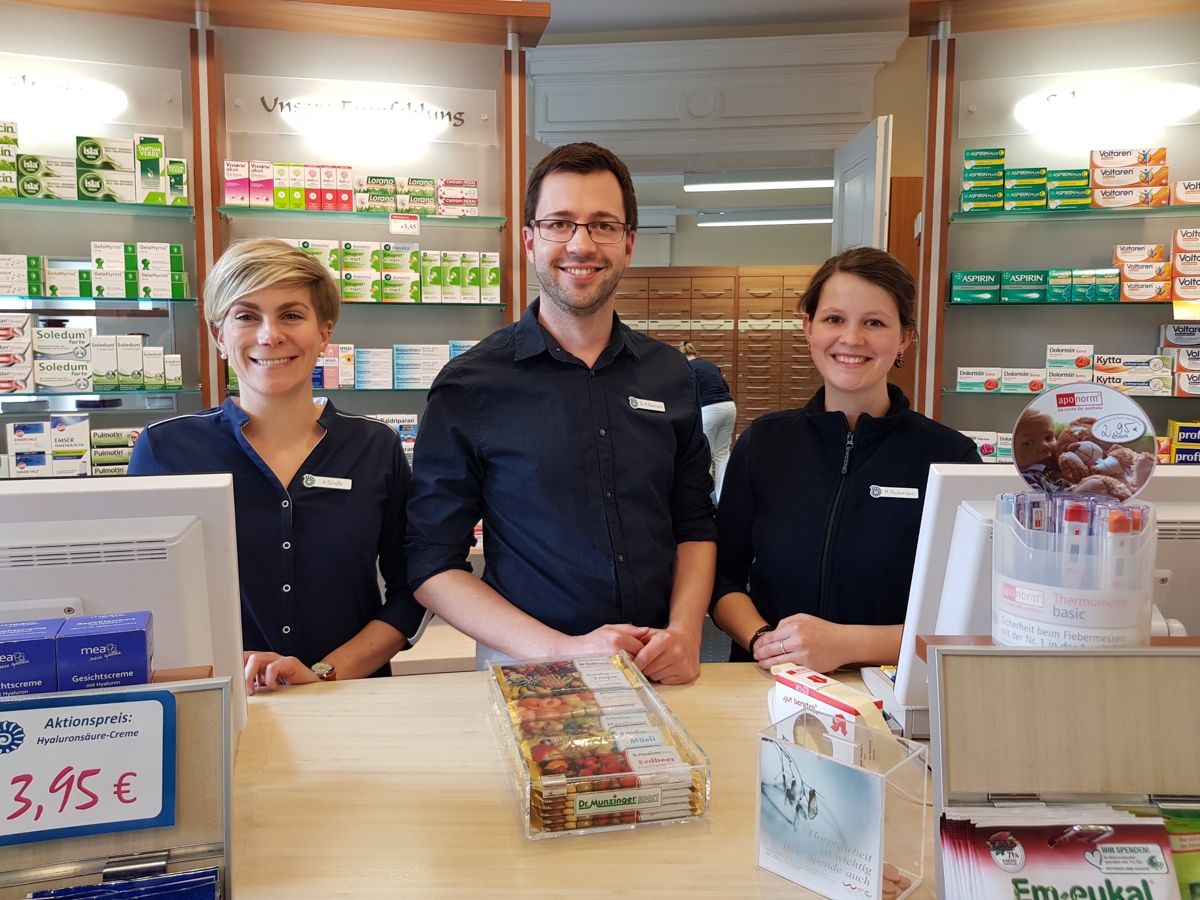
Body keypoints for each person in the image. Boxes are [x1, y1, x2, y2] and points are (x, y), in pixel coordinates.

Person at [405, 142, 717, 684]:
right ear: (530, 240)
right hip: (529, 666)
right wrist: (564, 649)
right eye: (559, 223)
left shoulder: (672, 374)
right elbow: (431, 563)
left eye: (603, 225)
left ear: (628, 244)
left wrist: (687, 632)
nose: (581, 244)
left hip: (658, 662)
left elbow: (694, 523)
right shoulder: (469, 386)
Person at [129, 238, 425, 694]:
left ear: (324, 332)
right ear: (218, 335)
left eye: (291, 314)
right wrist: (222, 663)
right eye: (247, 316)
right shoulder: (166, 449)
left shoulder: (374, 447)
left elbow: (411, 593)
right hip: (223, 698)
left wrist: (324, 673)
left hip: (350, 698)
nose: (270, 335)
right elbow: (142, 599)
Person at [710, 247, 981, 673]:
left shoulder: (950, 458)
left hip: (891, 695)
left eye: (874, 322)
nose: (852, 339)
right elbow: (724, 580)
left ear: (904, 338)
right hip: (769, 683)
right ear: (809, 329)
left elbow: (963, 617)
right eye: (834, 319)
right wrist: (766, 642)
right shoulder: (763, 442)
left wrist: (847, 643)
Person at [680, 341, 736, 501]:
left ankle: (703, 499)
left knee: (704, 455)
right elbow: (725, 387)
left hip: (709, 409)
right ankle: (722, 497)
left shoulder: (688, 367)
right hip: (729, 406)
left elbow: (685, 393)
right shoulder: (709, 365)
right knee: (722, 454)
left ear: (683, 356)